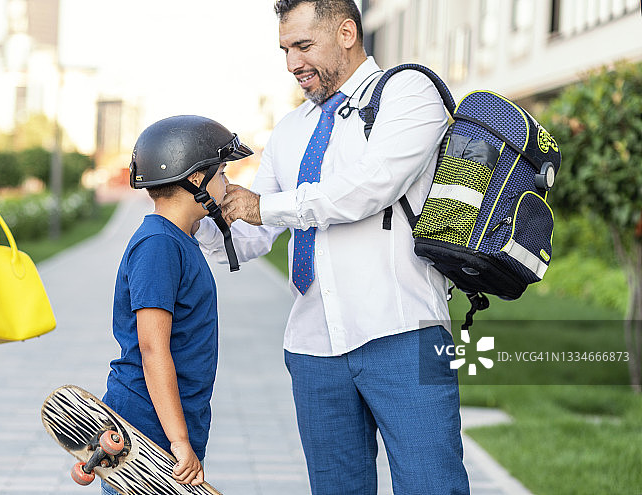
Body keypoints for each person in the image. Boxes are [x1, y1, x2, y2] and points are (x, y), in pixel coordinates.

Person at [195, 1, 470, 493]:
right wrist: (193, 209)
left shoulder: (408, 92)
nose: (292, 63)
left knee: (433, 485)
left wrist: (265, 207)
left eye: (303, 46)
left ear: (347, 32)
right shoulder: (291, 129)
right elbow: (253, 234)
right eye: (284, 49)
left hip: (406, 332)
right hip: (313, 347)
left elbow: (367, 188)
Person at [101, 115, 252, 494]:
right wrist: (179, 440)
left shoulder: (179, 239)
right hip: (148, 431)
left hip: (165, 424)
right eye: (222, 174)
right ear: (197, 180)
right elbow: (152, 349)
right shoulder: (159, 245)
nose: (229, 184)